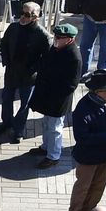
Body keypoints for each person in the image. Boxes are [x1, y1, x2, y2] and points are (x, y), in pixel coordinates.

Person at [67, 71, 106, 211]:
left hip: (104, 155)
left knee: (98, 187)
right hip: (88, 158)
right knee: (83, 188)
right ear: (97, 92)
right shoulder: (83, 109)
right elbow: (82, 138)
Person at [0, 2, 51, 143]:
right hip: (11, 72)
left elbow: (47, 58)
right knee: (6, 99)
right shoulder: (13, 27)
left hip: (28, 76)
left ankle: (18, 129)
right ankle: (6, 122)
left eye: (27, 15)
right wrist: (6, 61)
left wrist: (33, 69)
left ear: (36, 17)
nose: (22, 17)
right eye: (21, 12)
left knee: (24, 105)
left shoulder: (42, 35)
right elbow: (4, 44)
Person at [29, 24, 82, 169]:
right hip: (47, 96)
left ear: (70, 39)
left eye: (59, 37)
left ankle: (53, 156)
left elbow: (71, 84)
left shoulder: (74, 57)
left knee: (55, 128)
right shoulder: (56, 48)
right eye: (56, 36)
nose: (56, 39)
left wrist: (53, 92)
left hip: (58, 100)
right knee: (46, 123)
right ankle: (46, 147)